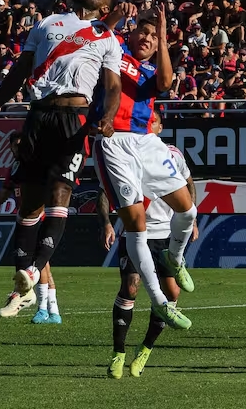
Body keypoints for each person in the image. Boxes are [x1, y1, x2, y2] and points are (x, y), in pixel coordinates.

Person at [0, 0, 123, 314]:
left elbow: (113, 87)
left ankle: (30, 272)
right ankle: (24, 288)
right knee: (28, 206)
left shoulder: (106, 37)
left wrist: (109, 116)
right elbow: (20, 69)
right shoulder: (46, 23)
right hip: (38, 115)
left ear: (104, 8)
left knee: (59, 196)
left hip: (74, 118)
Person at [92, 2, 197, 332]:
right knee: (135, 226)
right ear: (132, 31)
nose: (148, 38)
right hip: (114, 141)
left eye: (154, 35)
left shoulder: (153, 71)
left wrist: (164, 37)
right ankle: (161, 302)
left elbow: (166, 83)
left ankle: (174, 260)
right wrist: (117, 18)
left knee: (188, 211)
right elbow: (95, 33)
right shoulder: (116, 48)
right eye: (144, 31)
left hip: (145, 142)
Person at [97, 108, 198, 379]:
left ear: (160, 128)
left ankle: (145, 351)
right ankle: (118, 353)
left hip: (166, 232)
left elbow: (188, 184)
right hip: (136, 232)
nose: (147, 124)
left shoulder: (171, 154)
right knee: (130, 287)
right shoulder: (122, 151)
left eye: (152, 121)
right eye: (146, 120)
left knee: (173, 294)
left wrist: (192, 219)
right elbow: (106, 192)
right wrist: (107, 222)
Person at [0, 133, 61, 324]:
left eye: (21, 144)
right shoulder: (15, 169)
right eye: (15, 146)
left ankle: (44, 309)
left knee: (39, 264)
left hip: (39, 219)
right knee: (43, 266)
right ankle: (52, 311)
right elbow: (1, 197)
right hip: (28, 220)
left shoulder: (36, 164)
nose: (18, 149)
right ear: (10, 148)